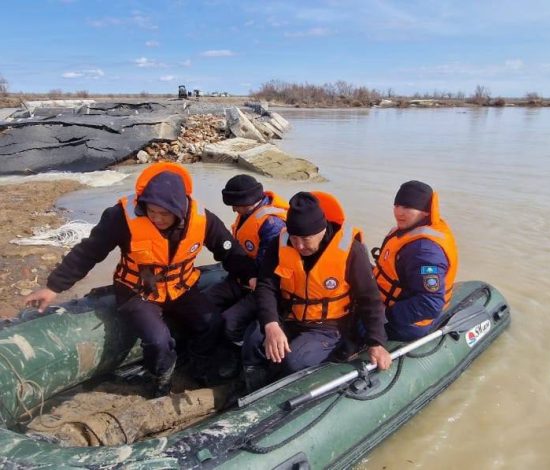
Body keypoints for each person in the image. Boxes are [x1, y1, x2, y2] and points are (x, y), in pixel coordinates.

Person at [25, 162, 257, 397]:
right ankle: (161, 381)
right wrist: (54, 287)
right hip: (138, 291)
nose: (156, 218)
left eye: (164, 214)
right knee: (158, 341)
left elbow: (229, 250)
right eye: (151, 211)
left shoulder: (202, 219)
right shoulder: (121, 218)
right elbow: (89, 252)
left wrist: (251, 276)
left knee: (211, 323)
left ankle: (199, 365)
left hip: (180, 287)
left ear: (180, 209)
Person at [242, 191, 391, 391]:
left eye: (306, 239)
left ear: (321, 230)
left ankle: (279, 391)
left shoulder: (351, 251)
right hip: (289, 316)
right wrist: (271, 324)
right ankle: (253, 387)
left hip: (328, 326)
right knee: (252, 342)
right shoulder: (280, 244)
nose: (300, 246)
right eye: (294, 239)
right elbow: (266, 286)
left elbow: (369, 298)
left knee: (294, 361)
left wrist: (376, 341)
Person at [371, 180, 458, 341]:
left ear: (425, 212)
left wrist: (385, 314)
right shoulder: (406, 230)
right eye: (397, 206)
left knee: (352, 326)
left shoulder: (425, 252)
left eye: (407, 208)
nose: (399, 212)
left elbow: (430, 304)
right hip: (388, 299)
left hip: (406, 323)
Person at [208, 174, 288, 347]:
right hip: (242, 276)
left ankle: (238, 351)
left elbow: (265, 268)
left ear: (247, 201)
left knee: (230, 321)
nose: (233, 210)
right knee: (206, 301)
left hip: (260, 285)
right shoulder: (248, 214)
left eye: (235, 206)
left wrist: (246, 275)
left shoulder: (272, 225)